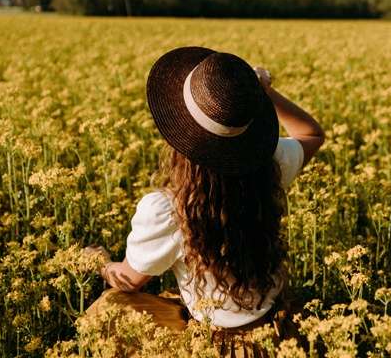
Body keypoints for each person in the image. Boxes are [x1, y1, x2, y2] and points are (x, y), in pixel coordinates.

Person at [85, 46, 325, 355]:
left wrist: (101, 263)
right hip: (278, 331)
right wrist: (266, 93)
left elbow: (130, 281)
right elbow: (311, 133)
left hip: (220, 345)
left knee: (109, 309)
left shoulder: (170, 209)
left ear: (179, 132)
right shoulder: (271, 165)